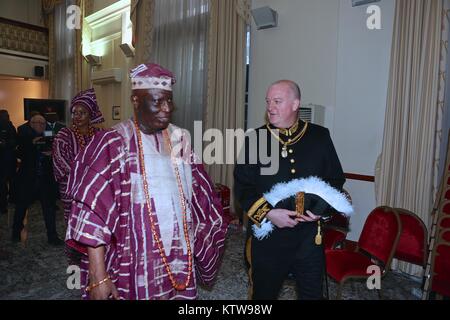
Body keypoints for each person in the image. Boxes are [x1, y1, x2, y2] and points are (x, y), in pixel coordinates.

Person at [65, 63, 227, 300]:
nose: (166, 109)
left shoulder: (180, 139)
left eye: (169, 101)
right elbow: (91, 216)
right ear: (136, 100)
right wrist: (98, 276)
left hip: (178, 259)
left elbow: (202, 196)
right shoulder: (113, 142)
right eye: (157, 101)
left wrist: (207, 228)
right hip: (132, 261)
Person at [234, 80, 346, 300]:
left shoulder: (319, 136)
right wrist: (268, 213)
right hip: (269, 238)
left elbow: (335, 179)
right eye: (268, 102)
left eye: (277, 101)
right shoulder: (255, 139)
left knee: (312, 295)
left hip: (309, 238)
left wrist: (321, 209)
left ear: (296, 104)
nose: (270, 107)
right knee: (263, 296)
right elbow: (243, 187)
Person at [52, 88, 105, 264]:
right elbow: (60, 161)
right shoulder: (64, 135)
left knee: (94, 222)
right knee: (74, 222)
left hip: (95, 189)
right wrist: (81, 179)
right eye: (74, 112)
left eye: (82, 112)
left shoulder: (98, 135)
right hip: (71, 189)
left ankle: (94, 259)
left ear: (90, 115)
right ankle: (74, 262)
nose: (77, 116)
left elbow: (105, 159)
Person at [12, 113, 63, 245]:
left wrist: (52, 154)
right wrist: (32, 144)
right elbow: (19, 152)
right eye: (37, 123)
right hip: (27, 179)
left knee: (49, 209)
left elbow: (59, 153)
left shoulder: (49, 136)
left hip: (46, 180)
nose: (40, 126)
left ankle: (52, 237)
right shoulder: (24, 136)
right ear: (31, 124)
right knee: (21, 207)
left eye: (43, 124)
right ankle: (15, 234)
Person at [0, 110, 17, 214]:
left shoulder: (10, 126)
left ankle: (9, 199)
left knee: (9, 180)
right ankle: (4, 203)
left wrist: (5, 144)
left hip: (9, 157)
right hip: (7, 158)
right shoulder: (10, 125)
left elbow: (14, 141)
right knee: (4, 182)